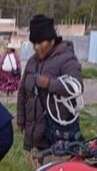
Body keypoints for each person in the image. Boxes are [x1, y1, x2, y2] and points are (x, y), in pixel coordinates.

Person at [17, 14, 84, 163]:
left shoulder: (66, 59)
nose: (36, 47)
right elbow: (22, 91)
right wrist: (21, 118)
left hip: (57, 135)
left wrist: (50, 84)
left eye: (41, 42)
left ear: (52, 40)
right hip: (37, 135)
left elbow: (77, 86)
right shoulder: (31, 62)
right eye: (34, 43)